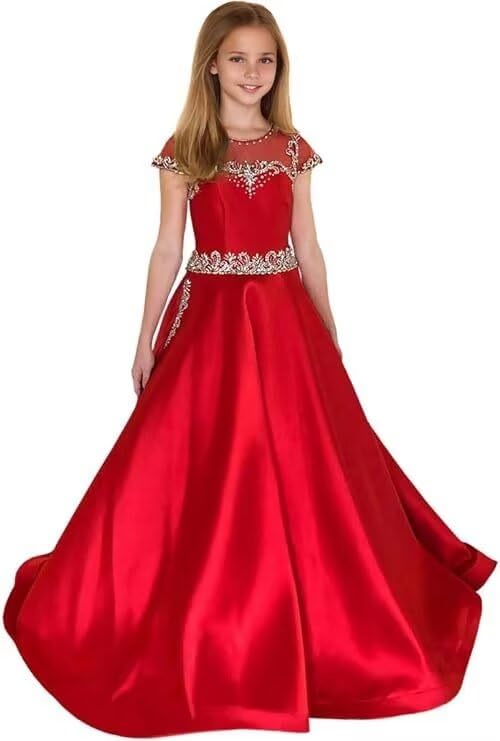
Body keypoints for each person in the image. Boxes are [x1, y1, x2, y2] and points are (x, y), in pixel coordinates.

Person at [3, 2, 497, 737]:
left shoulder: (291, 149)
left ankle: (319, 605)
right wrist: (143, 339)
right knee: (203, 462)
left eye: (266, 60)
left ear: (278, 70)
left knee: (308, 461)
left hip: (284, 318)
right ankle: (206, 606)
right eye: (238, 58)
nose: (252, 72)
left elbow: (309, 246)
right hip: (210, 321)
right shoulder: (187, 149)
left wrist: (328, 328)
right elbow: (167, 249)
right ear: (211, 65)